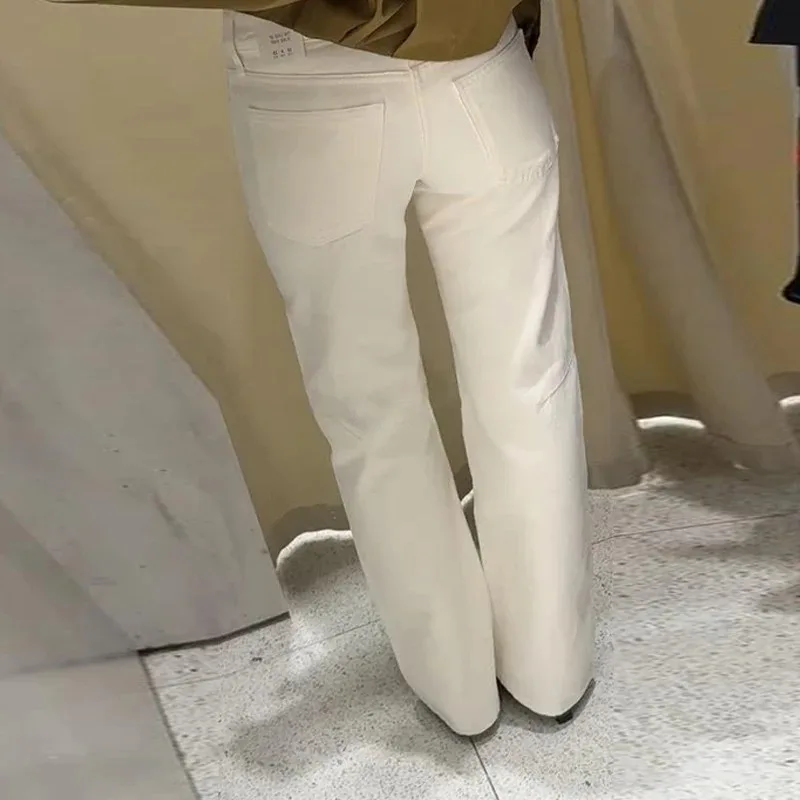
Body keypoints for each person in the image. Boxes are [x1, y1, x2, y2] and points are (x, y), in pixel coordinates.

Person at [48, 0, 594, 737]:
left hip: (306, 71)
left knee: (369, 406)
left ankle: (456, 685)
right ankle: (552, 669)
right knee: (528, 381)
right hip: (477, 52)